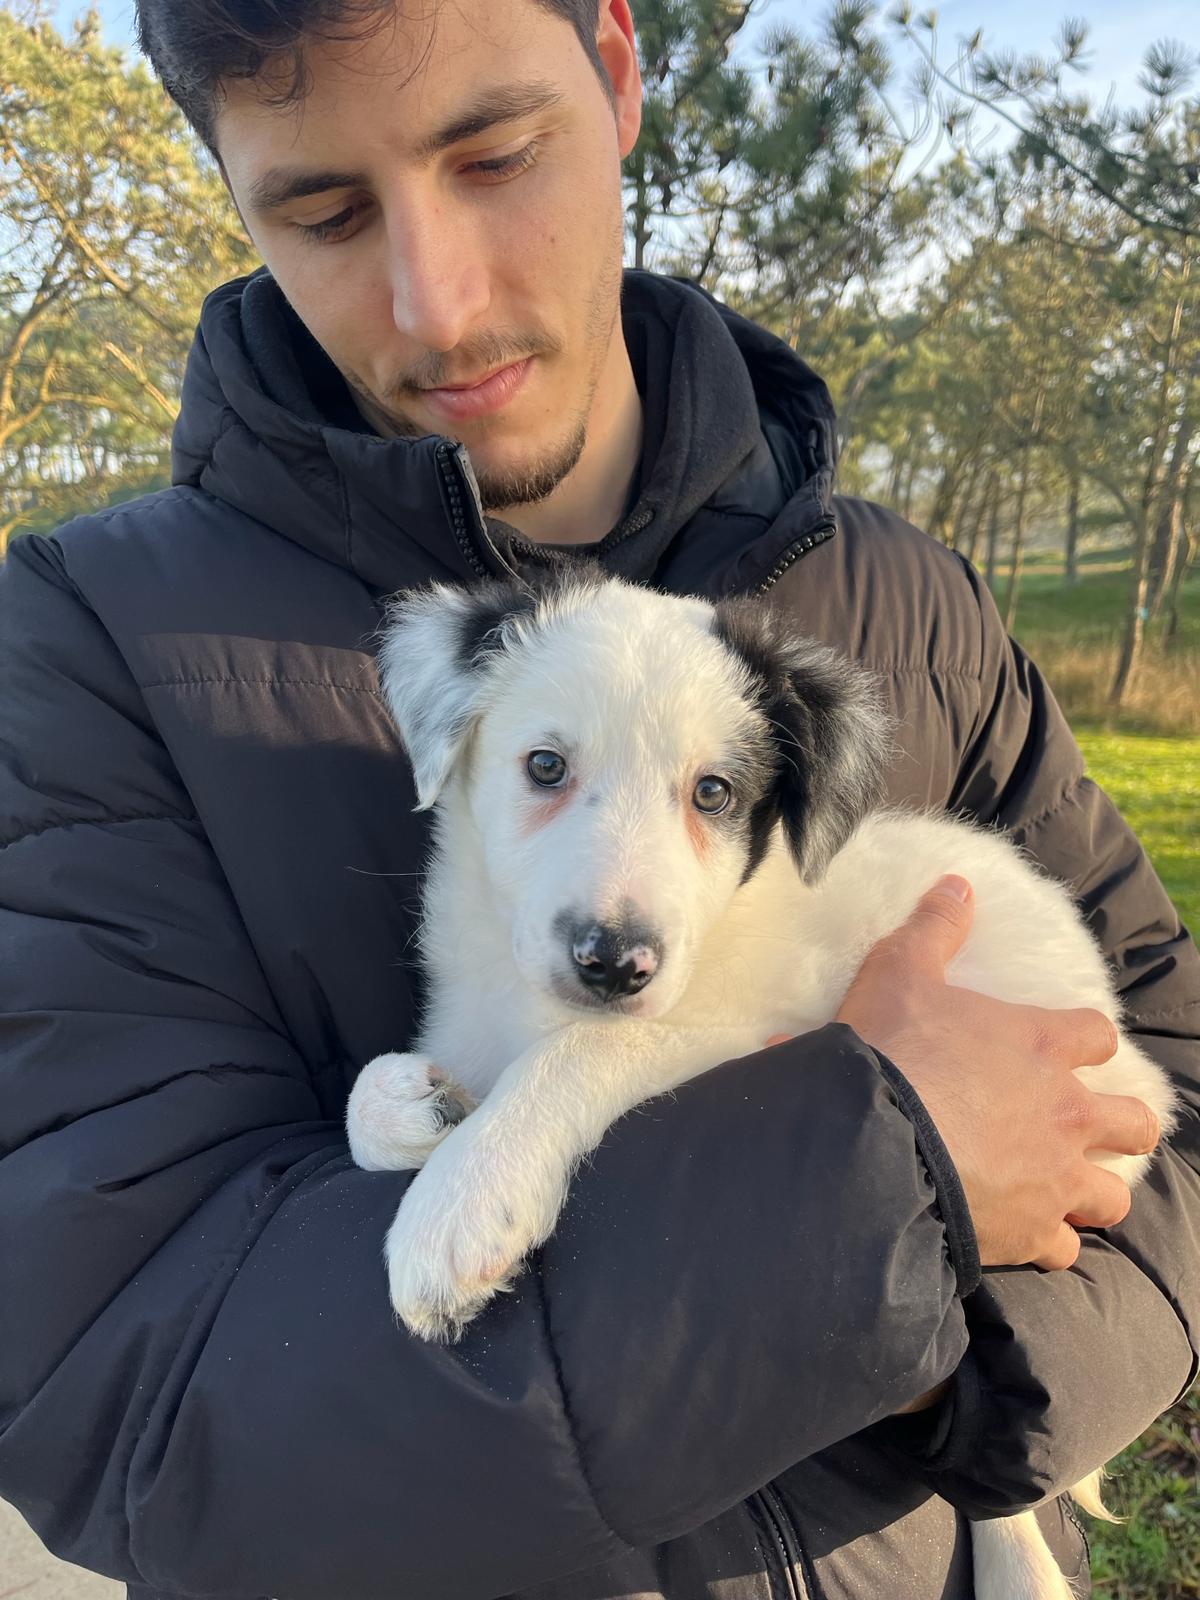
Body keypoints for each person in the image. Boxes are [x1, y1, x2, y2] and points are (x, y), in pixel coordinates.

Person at [0, 2, 1195, 1597]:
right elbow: (123, 1398)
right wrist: (860, 1230)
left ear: (621, 69)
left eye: (495, 155)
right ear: (227, 185)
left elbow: (1165, 1083)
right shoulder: (79, 645)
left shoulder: (917, 605)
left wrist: (979, 1393)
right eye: (326, 210)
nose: (442, 303)